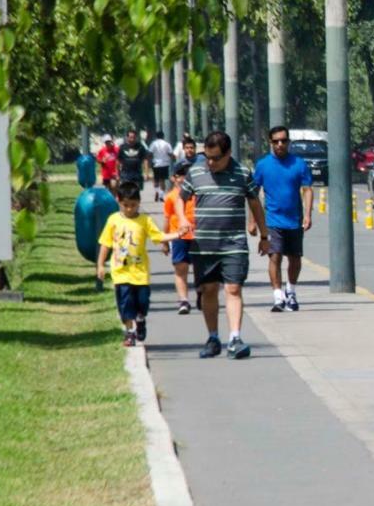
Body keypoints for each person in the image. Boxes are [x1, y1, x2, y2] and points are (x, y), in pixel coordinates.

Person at [174, 131, 268, 360]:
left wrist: (264, 235)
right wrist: (183, 219)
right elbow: (180, 198)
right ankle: (213, 337)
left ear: (228, 154)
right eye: (207, 156)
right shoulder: (196, 172)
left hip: (233, 244)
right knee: (208, 290)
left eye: (216, 158)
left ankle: (235, 338)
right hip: (203, 245)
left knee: (233, 289)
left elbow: (255, 203)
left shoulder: (242, 173)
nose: (211, 162)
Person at [97, 181, 184, 347]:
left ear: (139, 203)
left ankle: (141, 318)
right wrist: (100, 265)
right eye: (126, 205)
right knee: (125, 303)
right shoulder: (113, 220)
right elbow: (105, 243)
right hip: (121, 272)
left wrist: (176, 235)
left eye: (133, 205)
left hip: (140, 272)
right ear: (118, 201)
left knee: (142, 302)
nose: (129, 209)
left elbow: (158, 236)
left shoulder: (144, 220)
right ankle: (129, 332)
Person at [251, 125, 313, 312]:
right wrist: (252, 220)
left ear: (288, 142)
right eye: (276, 141)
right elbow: (253, 194)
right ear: (270, 143)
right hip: (272, 220)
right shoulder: (263, 165)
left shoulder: (299, 164)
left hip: (294, 219)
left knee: (295, 259)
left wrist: (308, 215)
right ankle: (278, 296)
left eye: (283, 141)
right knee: (275, 256)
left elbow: (307, 189)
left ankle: (291, 291)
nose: (280, 144)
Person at [163, 160, 196, 314]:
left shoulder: (198, 194)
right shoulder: (171, 197)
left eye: (187, 175)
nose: (183, 179)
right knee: (180, 268)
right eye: (180, 175)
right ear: (173, 178)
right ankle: (184, 300)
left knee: (200, 269)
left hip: (197, 236)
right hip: (179, 237)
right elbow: (167, 219)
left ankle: (202, 293)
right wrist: (165, 240)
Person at [117, 129, 150, 193]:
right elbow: (118, 161)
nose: (132, 139)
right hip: (125, 174)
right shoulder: (122, 147)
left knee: (136, 193)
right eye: (130, 137)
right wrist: (117, 174)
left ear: (136, 137)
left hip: (137, 173)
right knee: (126, 192)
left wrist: (146, 173)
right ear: (127, 137)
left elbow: (145, 160)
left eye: (134, 137)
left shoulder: (140, 147)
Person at [149, 130, 175, 201]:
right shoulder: (166, 144)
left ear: (156, 136)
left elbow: (150, 153)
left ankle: (157, 191)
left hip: (156, 164)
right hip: (164, 164)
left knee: (155, 180)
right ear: (163, 136)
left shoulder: (153, 144)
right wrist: (174, 158)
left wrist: (150, 161)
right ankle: (161, 195)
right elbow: (170, 154)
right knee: (162, 180)